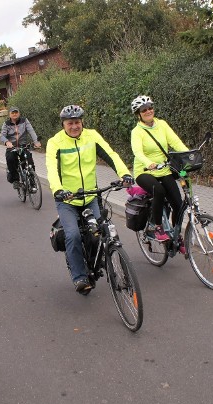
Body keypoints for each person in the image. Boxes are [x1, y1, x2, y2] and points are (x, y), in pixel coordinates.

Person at [46, 105, 133, 295]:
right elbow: (51, 169)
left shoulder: (92, 136)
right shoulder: (55, 142)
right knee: (73, 235)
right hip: (67, 200)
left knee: (101, 231)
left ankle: (101, 260)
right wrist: (58, 190)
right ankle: (79, 277)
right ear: (63, 124)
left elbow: (111, 155)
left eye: (77, 122)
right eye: (70, 123)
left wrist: (124, 173)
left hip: (91, 195)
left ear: (82, 122)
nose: (75, 126)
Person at [130, 95, 189, 242]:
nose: (148, 111)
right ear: (138, 114)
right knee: (159, 191)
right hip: (144, 171)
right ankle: (157, 227)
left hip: (164, 169)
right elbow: (138, 152)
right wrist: (148, 162)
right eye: (144, 110)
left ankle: (176, 235)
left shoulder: (162, 124)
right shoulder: (137, 132)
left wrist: (189, 155)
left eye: (150, 107)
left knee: (178, 204)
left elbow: (175, 142)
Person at [0, 107, 41, 189]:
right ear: (9, 114)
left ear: (19, 113)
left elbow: (31, 131)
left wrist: (36, 141)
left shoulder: (24, 121)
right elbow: (2, 135)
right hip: (12, 146)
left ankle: (32, 183)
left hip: (23, 146)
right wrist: (7, 142)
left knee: (29, 161)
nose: (14, 114)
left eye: (16, 112)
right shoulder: (6, 123)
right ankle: (15, 180)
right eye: (12, 113)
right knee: (10, 159)